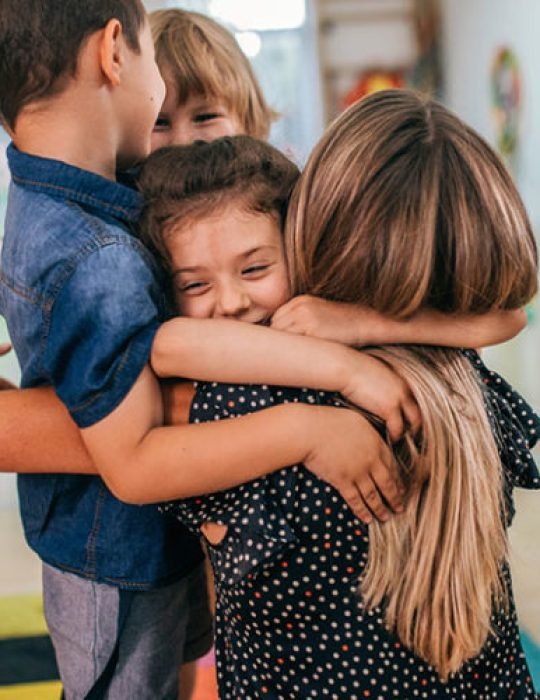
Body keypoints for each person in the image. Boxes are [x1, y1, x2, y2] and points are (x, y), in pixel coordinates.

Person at [0, 2, 429, 697]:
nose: (179, 142)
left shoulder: (277, 237)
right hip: (146, 540)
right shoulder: (111, 244)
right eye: (163, 115)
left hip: (264, 565)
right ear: (120, 66)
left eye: (206, 119)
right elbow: (149, 389)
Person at [138, 98, 539, 697]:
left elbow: (162, 353)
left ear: (304, 234)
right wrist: (362, 330)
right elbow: (506, 315)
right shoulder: (474, 388)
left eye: (254, 269)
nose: (230, 302)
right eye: (197, 284)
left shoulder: (231, 404)